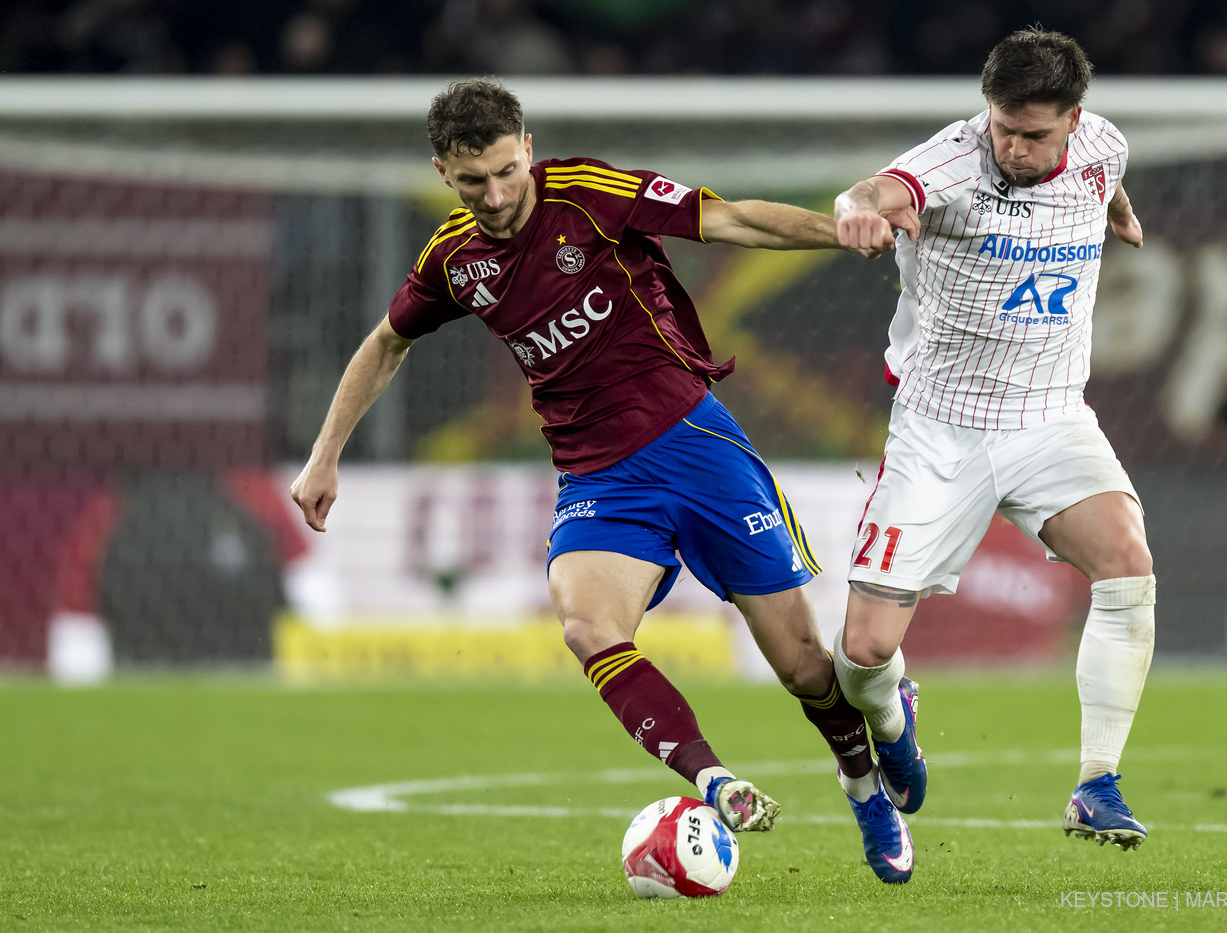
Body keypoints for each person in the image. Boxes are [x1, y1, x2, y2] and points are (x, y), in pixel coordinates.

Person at [288, 79, 892, 865]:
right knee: (587, 628)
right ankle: (714, 781)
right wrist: (324, 454)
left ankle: (864, 781)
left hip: (696, 445)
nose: (496, 196)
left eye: (507, 171)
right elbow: (385, 343)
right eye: (473, 181)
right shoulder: (453, 260)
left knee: (807, 668)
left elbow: (733, 218)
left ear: (527, 147)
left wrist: (842, 232)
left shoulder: (589, 193)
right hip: (597, 479)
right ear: (443, 172)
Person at [832, 27, 1153, 860]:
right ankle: (893, 715)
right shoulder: (950, 165)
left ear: (1073, 119)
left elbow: (1108, 176)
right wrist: (855, 210)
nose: (1012, 147)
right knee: (862, 655)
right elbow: (878, 189)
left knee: (1127, 562)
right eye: (1003, 126)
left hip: (1050, 417)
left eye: (1033, 134)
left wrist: (1119, 212)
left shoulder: (1105, 146)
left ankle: (1097, 782)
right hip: (941, 429)